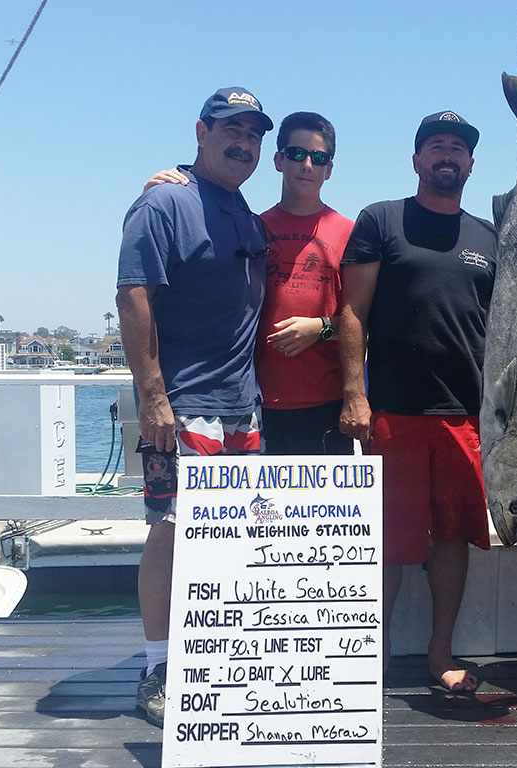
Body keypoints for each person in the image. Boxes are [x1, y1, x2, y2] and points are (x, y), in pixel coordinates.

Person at [116, 87, 273, 727]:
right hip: (183, 407)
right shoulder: (163, 201)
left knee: (234, 537)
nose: (244, 143)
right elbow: (133, 296)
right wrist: (152, 395)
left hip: (243, 408)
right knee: (171, 533)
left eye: (253, 134)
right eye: (231, 130)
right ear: (201, 132)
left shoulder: (241, 209)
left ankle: (211, 661)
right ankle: (158, 665)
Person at [337, 111, 496, 692]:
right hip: (392, 411)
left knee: (452, 536)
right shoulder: (382, 219)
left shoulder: (489, 235)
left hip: (466, 414)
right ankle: (365, 656)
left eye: (457, 147)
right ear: (416, 160)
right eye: (436, 147)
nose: (447, 155)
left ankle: (440, 651)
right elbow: (351, 311)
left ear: (472, 163)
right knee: (384, 540)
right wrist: (355, 392)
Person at [143, 111, 355, 456]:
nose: (307, 165)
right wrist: (169, 187)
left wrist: (321, 327)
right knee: (263, 510)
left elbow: (367, 320)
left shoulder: (350, 233)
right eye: (296, 154)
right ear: (278, 160)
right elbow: (201, 216)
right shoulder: (252, 226)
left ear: (329, 169)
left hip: (326, 404)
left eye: (319, 158)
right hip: (258, 405)